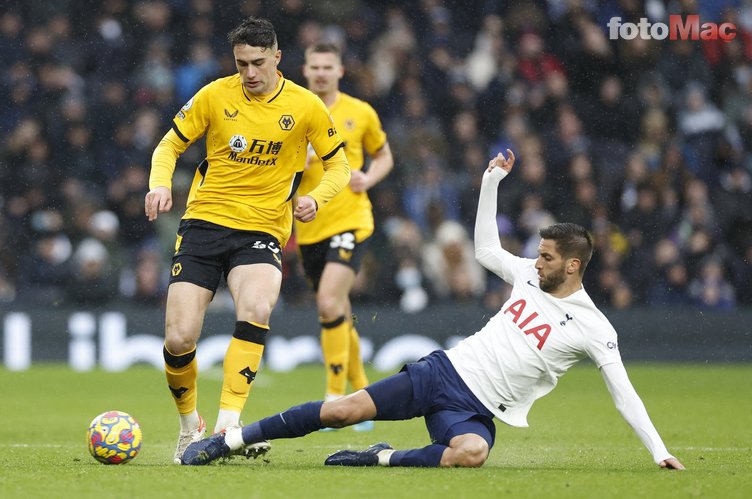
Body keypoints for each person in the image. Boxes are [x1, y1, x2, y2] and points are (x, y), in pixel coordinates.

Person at [180, 150, 685, 471]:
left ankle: (381, 459)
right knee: (341, 410)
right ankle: (230, 440)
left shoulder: (595, 327)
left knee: (472, 454)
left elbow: (625, 394)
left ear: (573, 265)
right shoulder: (529, 274)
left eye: (548, 256)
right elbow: (487, 251)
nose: (537, 260)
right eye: (538, 251)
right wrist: (490, 184)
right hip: (443, 373)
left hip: (474, 411)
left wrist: (660, 451)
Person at [144, 17, 351, 464]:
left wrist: (316, 197)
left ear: (277, 57)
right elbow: (168, 146)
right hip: (203, 223)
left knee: (256, 308)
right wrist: (160, 184)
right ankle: (189, 426)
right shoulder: (216, 95)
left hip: (261, 230)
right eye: (242, 64)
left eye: (259, 63)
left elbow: (340, 168)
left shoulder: (307, 106)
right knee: (179, 339)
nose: (250, 73)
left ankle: (226, 426)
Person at [296, 42, 393, 423]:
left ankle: (335, 398)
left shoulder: (360, 112)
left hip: (351, 219)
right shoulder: (292, 111)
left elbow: (384, 154)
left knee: (326, 302)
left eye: (328, 66)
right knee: (337, 309)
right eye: (315, 66)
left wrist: (368, 177)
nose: (321, 72)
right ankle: (364, 398)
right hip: (308, 227)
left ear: (340, 71)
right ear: (304, 70)